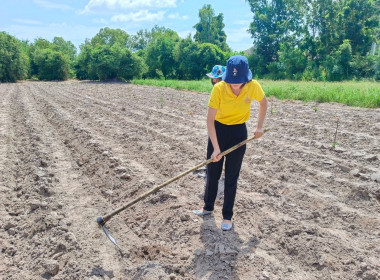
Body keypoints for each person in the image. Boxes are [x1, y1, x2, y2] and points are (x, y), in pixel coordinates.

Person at [193, 55, 268, 231]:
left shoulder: (253, 86)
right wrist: (216, 147)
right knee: (212, 172)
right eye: (232, 80)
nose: (235, 84)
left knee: (231, 177)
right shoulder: (219, 88)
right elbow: (210, 120)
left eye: (239, 81)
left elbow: (264, 103)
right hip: (218, 131)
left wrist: (259, 127)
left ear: (246, 77)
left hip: (238, 133)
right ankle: (208, 207)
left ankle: (227, 216)